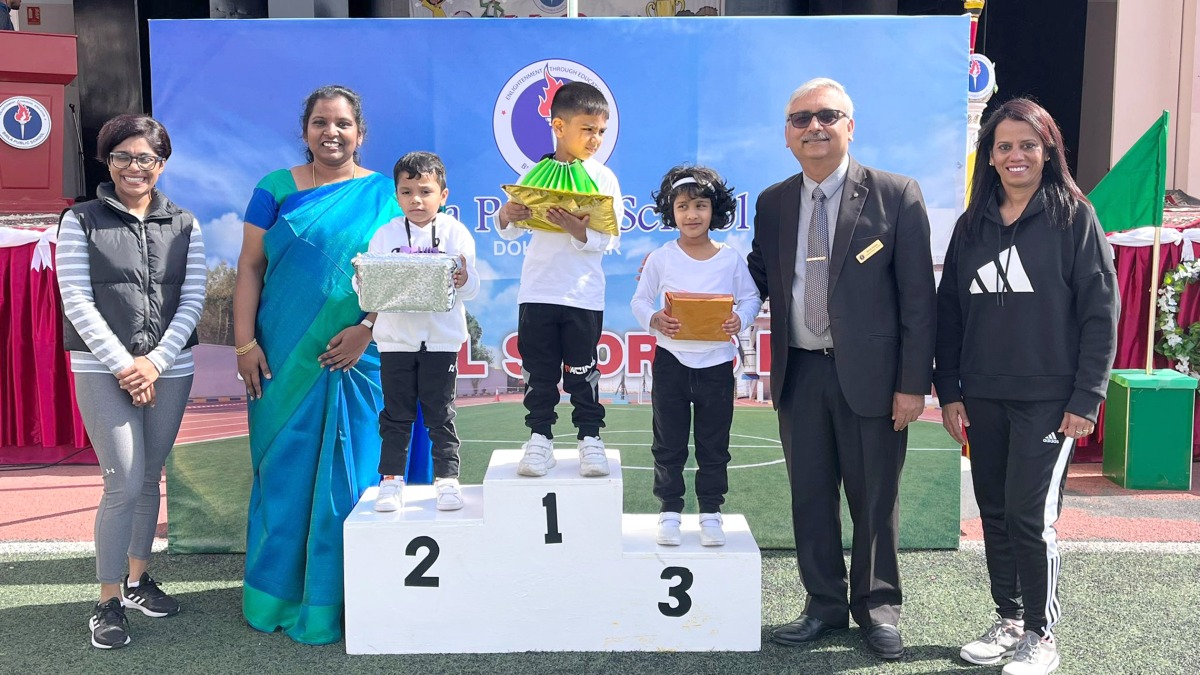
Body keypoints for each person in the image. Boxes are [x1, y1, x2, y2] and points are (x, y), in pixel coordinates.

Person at [747, 77, 936, 660]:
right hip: (799, 374)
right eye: (800, 119)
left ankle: (878, 609)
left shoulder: (896, 195)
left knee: (875, 499)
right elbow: (756, 276)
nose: (814, 127)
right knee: (809, 496)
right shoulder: (774, 202)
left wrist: (911, 385)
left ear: (850, 126)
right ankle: (823, 605)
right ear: (787, 135)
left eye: (827, 116)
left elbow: (918, 301)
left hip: (875, 382)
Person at [935, 98, 1118, 675]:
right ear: (989, 157)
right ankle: (1009, 619)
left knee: (1028, 515)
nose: (1016, 156)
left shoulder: (1073, 218)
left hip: (1050, 400)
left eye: (1028, 145)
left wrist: (1086, 398)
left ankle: (1041, 634)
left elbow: (1100, 315)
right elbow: (950, 316)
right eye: (1004, 146)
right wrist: (951, 389)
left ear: (1048, 151)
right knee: (993, 510)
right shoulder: (972, 226)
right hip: (983, 395)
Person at [233, 84, 401, 645]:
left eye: (344, 124)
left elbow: (403, 269)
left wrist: (366, 328)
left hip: (359, 358)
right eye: (320, 123)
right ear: (305, 130)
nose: (332, 132)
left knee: (350, 480)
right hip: (279, 359)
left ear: (360, 132)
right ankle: (276, 595)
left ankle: (348, 599)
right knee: (282, 475)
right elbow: (251, 268)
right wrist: (243, 345)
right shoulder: (274, 188)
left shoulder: (385, 195)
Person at [57, 114, 206, 649]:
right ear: (107, 161)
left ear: (161, 165)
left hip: (169, 368)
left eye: (145, 158)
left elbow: (192, 301)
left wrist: (155, 363)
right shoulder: (79, 220)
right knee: (122, 478)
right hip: (102, 368)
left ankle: (139, 581)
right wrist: (126, 364)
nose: (134, 167)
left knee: (149, 477)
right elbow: (76, 298)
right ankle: (106, 600)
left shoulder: (185, 224)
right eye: (123, 157)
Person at [495, 81, 622, 478]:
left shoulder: (603, 178)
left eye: (601, 131)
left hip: (583, 295)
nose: (595, 139)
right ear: (558, 126)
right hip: (538, 290)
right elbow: (508, 226)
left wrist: (577, 229)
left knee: (583, 371)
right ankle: (540, 440)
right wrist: (507, 215)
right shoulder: (535, 173)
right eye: (587, 129)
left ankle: (590, 439)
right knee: (540, 371)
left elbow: (610, 239)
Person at [630, 165, 761, 547]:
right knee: (668, 442)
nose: (691, 215)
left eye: (701, 205)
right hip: (671, 363)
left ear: (714, 209)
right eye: (683, 206)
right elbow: (640, 300)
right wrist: (654, 319)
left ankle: (710, 513)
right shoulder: (661, 258)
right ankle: (669, 510)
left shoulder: (730, 258)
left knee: (713, 444)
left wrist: (742, 319)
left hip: (717, 364)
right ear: (670, 210)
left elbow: (751, 298)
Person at [367, 151, 479, 513]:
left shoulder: (456, 233)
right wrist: (362, 281)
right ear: (397, 196)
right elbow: (369, 288)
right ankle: (391, 482)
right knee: (396, 415)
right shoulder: (384, 236)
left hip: (442, 341)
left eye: (426, 191)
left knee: (440, 413)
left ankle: (446, 480)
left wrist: (463, 278)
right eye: (407, 191)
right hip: (395, 342)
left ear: (443, 196)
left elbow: (471, 285)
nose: (416, 199)